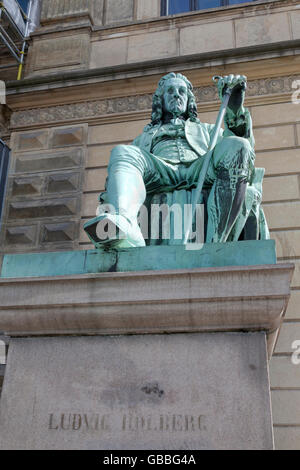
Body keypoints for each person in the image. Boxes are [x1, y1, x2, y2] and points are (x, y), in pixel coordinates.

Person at [84, 72, 257, 248]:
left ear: (189, 100)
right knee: (121, 151)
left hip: (200, 169)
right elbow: (125, 170)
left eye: (182, 91)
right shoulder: (145, 137)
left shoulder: (207, 130)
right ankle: (124, 223)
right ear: (161, 100)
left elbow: (244, 152)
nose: (177, 94)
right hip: (160, 172)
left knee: (238, 145)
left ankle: (216, 242)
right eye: (171, 91)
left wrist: (234, 109)